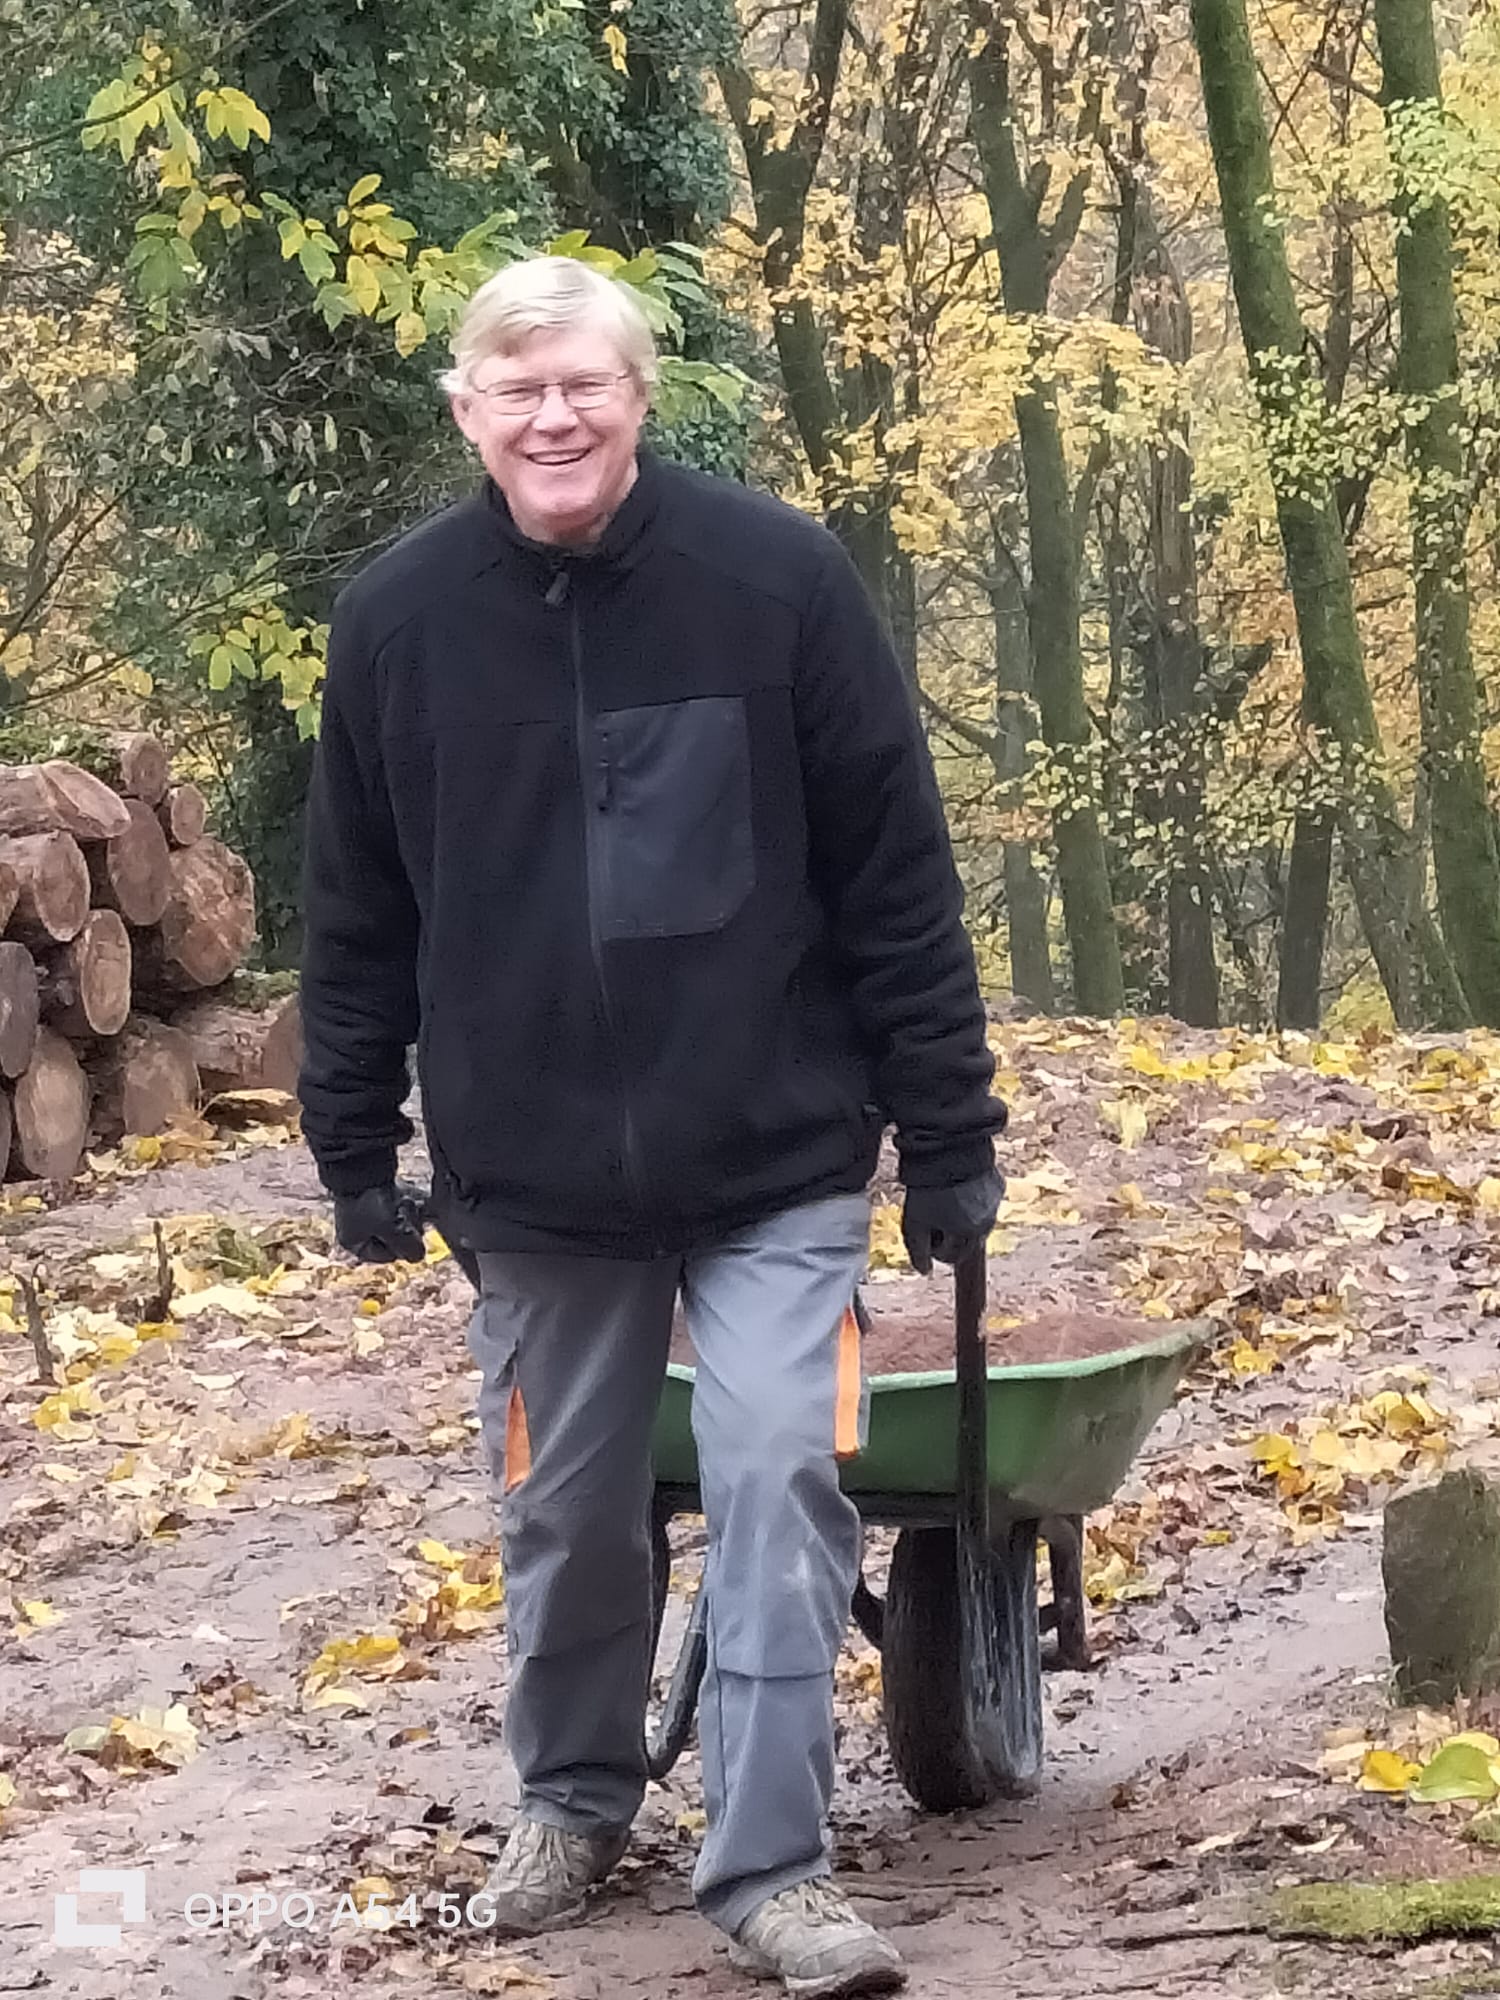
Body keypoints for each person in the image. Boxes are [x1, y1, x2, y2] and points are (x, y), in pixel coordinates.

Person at [298, 254, 1005, 2000]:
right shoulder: (396, 621)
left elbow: (897, 876)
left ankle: (774, 1871)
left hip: (775, 1154)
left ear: (638, 398)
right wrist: (352, 1139)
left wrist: (950, 1129)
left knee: (773, 1474)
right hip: (532, 1181)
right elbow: (359, 904)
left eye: (585, 385)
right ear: (466, 411)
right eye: (519, 388)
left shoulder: (776, 582)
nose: (555, 417)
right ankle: (572, 1798)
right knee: (564, 1507)